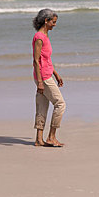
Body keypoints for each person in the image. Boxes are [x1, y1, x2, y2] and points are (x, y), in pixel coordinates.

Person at [32, 9, 66, 147]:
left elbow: (46, 59)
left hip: (46, 75)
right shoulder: (39, 37)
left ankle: (39, 140)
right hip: (43, 78)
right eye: (53, 22)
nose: (55, 25)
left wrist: (55, 73)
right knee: (60, 104)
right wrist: (40, 82)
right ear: (46, 21)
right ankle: (51, 136)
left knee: (42, 106)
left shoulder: (45, 36)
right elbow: (36, 61)